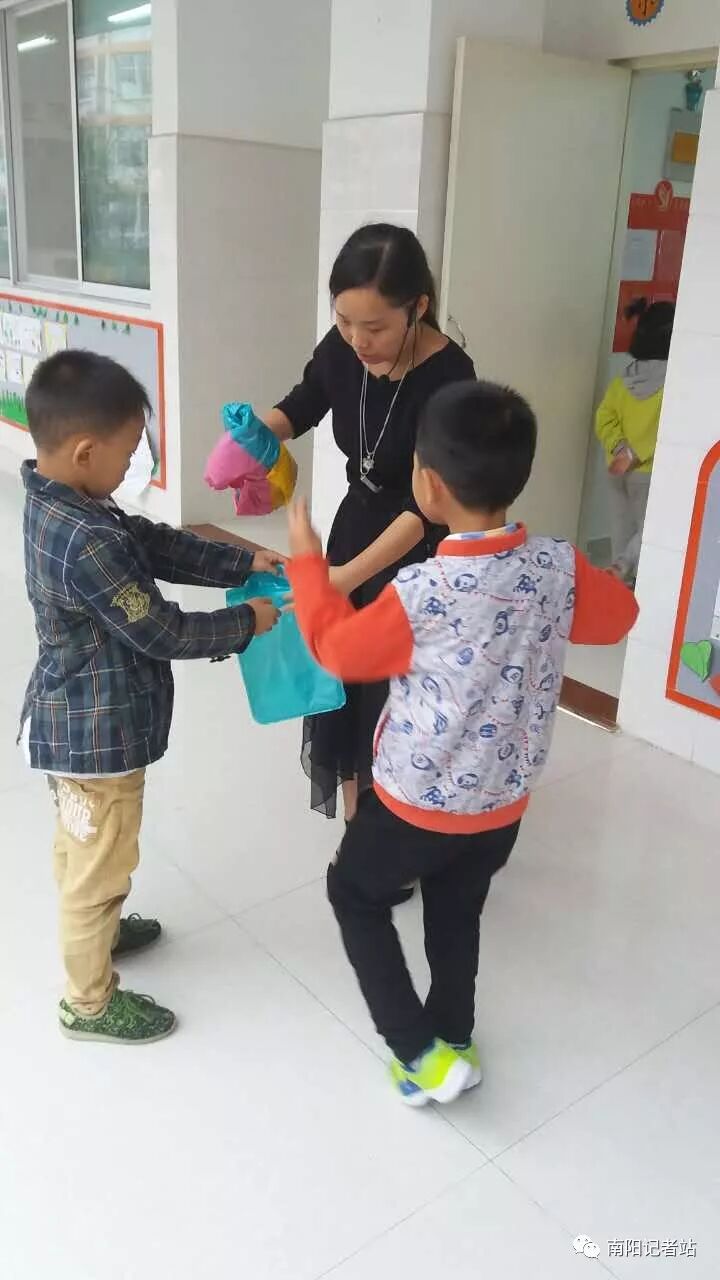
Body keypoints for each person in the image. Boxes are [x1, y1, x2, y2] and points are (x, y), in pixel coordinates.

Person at [287, 380, 638, 1106]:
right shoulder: (557, 566)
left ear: (429, 485)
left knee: (354, 894)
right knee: (456, 909)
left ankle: (419, 1052)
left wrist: (307, 567)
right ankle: (454, 1034)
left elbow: (334, 650)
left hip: (415, 805)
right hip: (501, 807)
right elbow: (619, 618)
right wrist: (576, 581)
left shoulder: (423, 592)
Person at [20, 351, 282, 1045]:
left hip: (73, 721)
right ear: (86, 451)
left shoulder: (66, 500)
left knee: (86, 846)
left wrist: (240, 559)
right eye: (131, 449)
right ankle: (89, 1003)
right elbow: (160, 631)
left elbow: (154, 545)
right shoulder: (86, 539)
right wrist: (246, 622)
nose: (137, 462)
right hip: (95, 735)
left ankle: (102, 930)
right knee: (98, 862)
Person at [260, 223, 475, 823]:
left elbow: (427, 506)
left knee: (393, 692)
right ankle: (361, 823)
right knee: (347, 687)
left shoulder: (451, 376)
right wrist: (253, 436)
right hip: (357, 526)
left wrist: (343, 578)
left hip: (417, 549)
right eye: (344, 321)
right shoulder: (344, 346)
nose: (357, 339)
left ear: (418, 308)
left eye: (375, 327)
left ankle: (396, 823)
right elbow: (304, 402)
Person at [595, 297, 675, 586]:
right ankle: (625, 567)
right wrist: (636, 453)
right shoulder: (674, 382)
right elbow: (666, 428)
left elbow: (604, 417)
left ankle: (618, 581)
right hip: (648, 471)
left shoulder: (624, 378)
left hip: (616, 470)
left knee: (621, 529)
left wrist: (620, 449)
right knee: (650, 530)